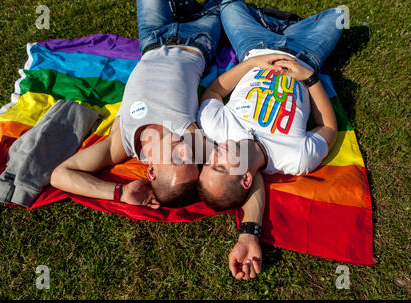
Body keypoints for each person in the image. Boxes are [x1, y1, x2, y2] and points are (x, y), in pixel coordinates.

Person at [197, 0, 345, 280]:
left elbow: (214, 92)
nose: (214, 155)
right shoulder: (294, 158)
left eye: (209, 162)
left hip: (254, 46)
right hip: (306, 55)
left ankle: (274, 24)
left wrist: (252, 62)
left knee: (228, 5)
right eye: (220, 166)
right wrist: (311, 78)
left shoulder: (217, 130)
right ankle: (283, 23)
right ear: (246, 180)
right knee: (338, 15)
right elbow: (328, 128)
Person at [50, 0, 222, 208]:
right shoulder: (188, 136)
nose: (186, 151)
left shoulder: (122, 143)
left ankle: (185, 9)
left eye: (178, 159)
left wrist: (120, 192)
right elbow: (243, 171)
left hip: (152, 38)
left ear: (151, 171)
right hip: (198, 39)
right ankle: (187, 9)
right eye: (192, 159)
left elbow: (60, 175)